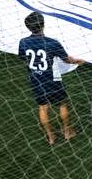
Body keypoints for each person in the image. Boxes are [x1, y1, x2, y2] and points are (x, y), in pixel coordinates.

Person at [18, 12, 85, 145]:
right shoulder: (52, 43)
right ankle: (67, 131)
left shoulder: (23, 42)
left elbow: (22, 57)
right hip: (52, 79)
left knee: (43, 107)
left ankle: (51, 136)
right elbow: (67, 60)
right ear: (43, 25)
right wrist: (79, 61)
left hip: (36, 79)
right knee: (62, 104)